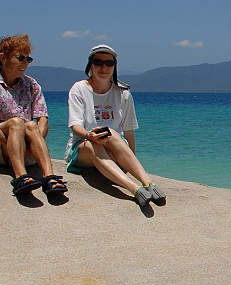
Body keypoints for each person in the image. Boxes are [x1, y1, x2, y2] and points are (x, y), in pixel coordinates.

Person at [65, 44, 166, 208]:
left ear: (114, 66)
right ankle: (134, 189)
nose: (103, 67)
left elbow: (128, 131)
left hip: (113, 147)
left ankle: (148, 183)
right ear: (90, 64)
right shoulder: (79, 89)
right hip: (83, 147)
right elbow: (75, 125)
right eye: (98, 62)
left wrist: (131, 162)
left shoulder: (123, 93)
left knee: (110, 133)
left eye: (109, 63)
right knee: (92, 144)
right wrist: (89, 135)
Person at [0, 34, 68, 196]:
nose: (25, 63)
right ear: (3, 58)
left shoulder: (31, 84)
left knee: (31, 125)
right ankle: (20, 177)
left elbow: (43, 118)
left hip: (25, 146)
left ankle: (50, 177)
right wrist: (14, 144)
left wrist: (30, 145)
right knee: (16, 123)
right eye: (20, 58)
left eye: (28, 59)